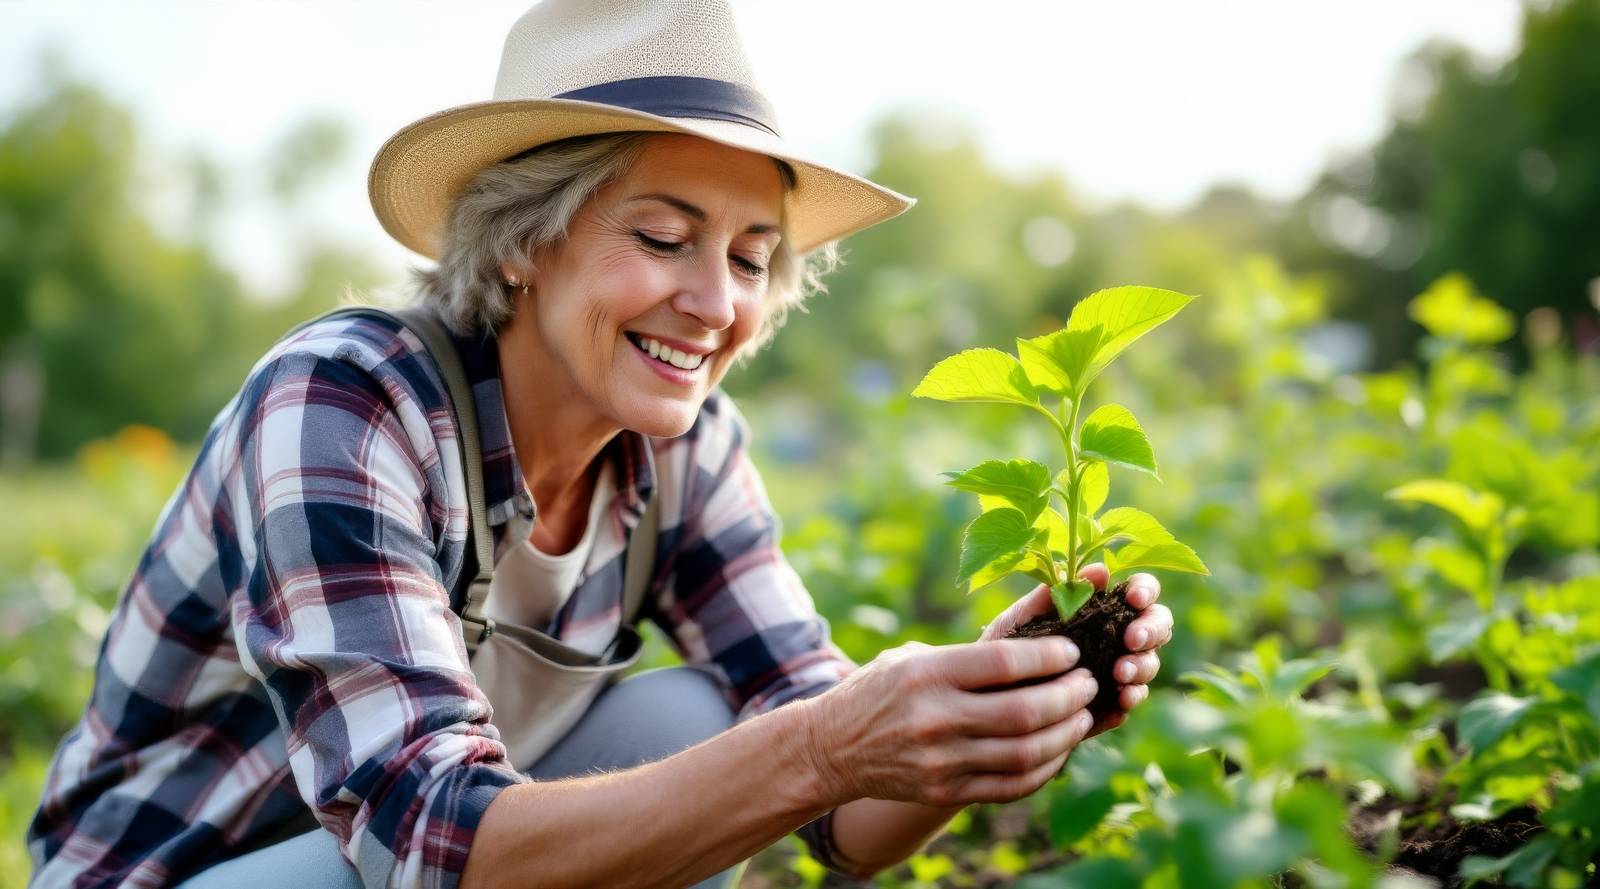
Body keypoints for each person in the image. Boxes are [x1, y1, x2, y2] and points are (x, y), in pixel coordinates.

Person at [27, 1, 1175, 887]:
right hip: (193, 867)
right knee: (728, 750)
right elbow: (428, 846)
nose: (716, 301)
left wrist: (988, 718)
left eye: (748, 255)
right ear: (524, 239)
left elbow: (839, 811)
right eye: (665, 236)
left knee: (708, 721)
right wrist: (824, 746)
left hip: (409, 858)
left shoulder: (685, 445)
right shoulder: (346, 401)